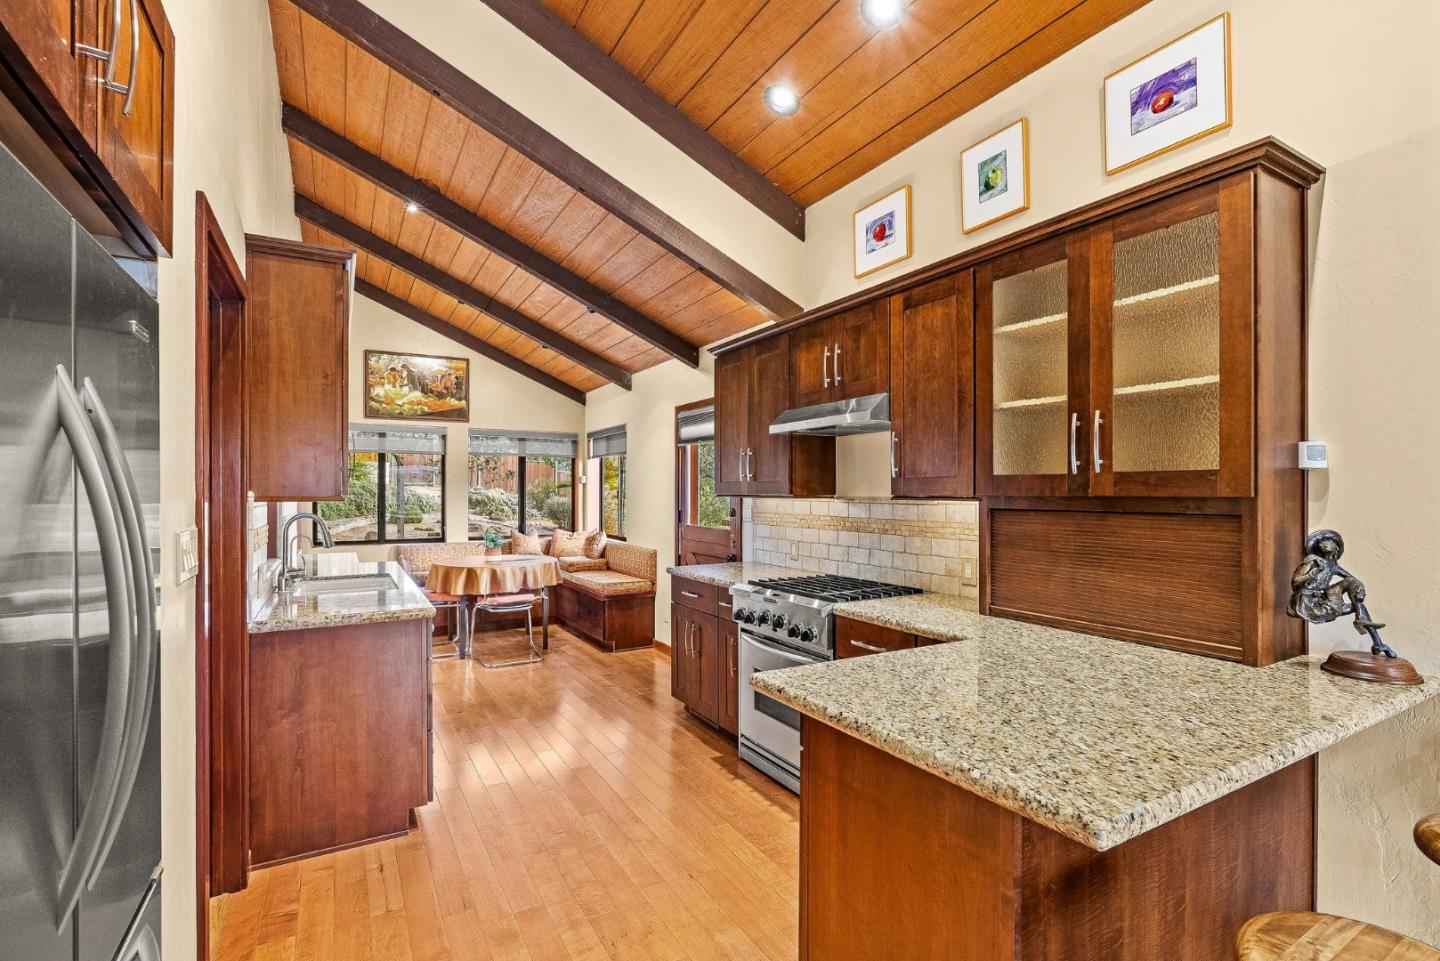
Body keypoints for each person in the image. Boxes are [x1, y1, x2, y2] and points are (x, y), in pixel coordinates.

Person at [1288, 529, 1397, 658]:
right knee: (1357, 605)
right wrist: (1312, 574)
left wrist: (1360, 591)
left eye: (1327, 540)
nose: (1323, 543)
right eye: (1321, 541)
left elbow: (1353, 581)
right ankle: (1371, 633)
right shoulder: (1313, 561)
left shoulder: (1333, 565)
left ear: (1336, 546)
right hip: (1308, 602)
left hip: (1324, 598)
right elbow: (1295, 581)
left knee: (1355, 596)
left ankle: (1376, 640)